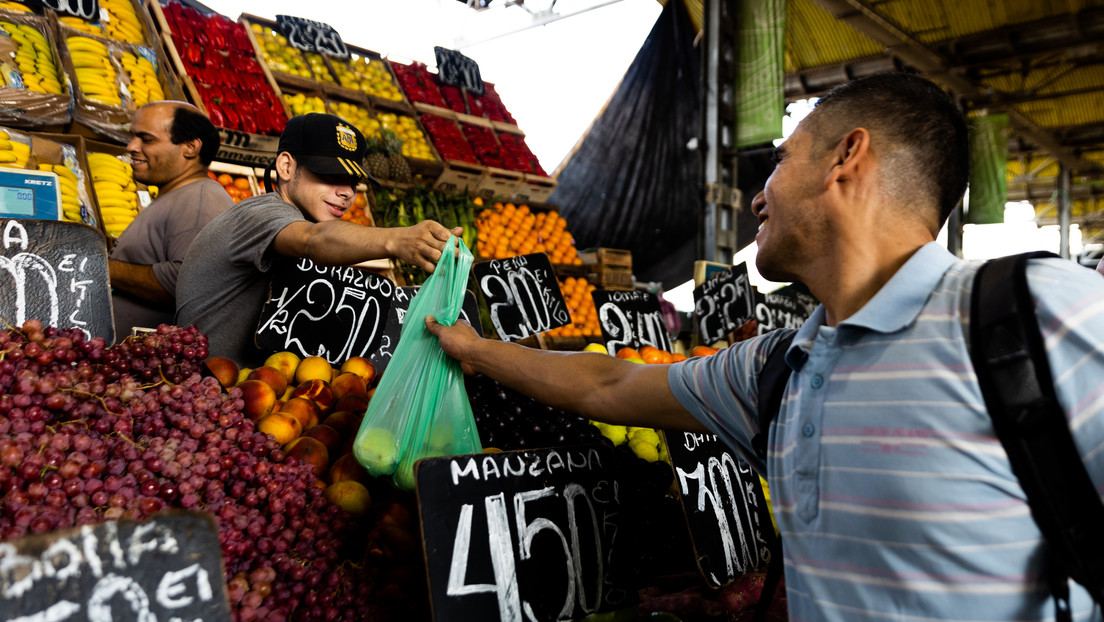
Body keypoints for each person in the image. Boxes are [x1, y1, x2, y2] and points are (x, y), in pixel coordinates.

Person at [427, 73, 1104, 621]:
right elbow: (610, 386)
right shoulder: (776, 369)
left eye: (779, 161)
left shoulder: (1035, 313)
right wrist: (474, 348)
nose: (757, 198)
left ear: (848, 156)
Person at [175, 113, 459, 366]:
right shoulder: (262, 213)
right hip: (209, 399)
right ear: (286, 166)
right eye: (330, 174)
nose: (347, 192)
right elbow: (313, 240)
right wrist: (397, 240)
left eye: (352, 182)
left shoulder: (299, 220)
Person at [108, 101, 232, 340]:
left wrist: (101, 268)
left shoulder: (200, 201)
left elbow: (186, 282)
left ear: (190, 147)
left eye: (147, 139)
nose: (131, 146)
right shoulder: (180, 195)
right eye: (133, 136)